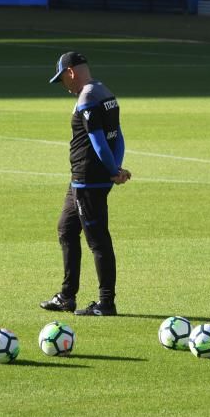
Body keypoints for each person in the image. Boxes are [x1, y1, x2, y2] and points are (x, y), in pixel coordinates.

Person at [40, 52, 131, 317]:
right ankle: (67, 296)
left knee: (98, 239)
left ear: (70, 72)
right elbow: (119, 136)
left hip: (88, 179)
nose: (64, 87)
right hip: (83, 179)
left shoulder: (87, 98)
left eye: (63, 80)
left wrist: (113, 169)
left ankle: (106, 303)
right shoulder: (105, 92)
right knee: (66, 228)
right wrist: (115, 168)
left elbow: (99, 140)